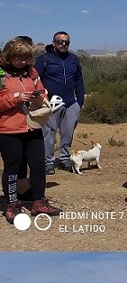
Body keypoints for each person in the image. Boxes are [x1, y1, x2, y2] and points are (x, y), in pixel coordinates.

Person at [0, 36, 62, 223]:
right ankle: (12, 205)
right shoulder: (1, 74)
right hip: (9, 129)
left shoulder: (31, 72)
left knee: (38, 164)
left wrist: (40, 96)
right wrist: (17, 99)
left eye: (26, 57)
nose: (23, 61)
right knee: (12, 167)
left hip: (33, 125)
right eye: (18, 57)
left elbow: (42, 90)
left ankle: (38, 201)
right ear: (9, 56)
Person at [35, 31, 85, 174]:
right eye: (60, 41)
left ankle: (64, 159)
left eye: (66, 42)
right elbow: (36, 80)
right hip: (50, 103)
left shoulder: (73, 59)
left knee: (67, 134)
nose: (63, 44)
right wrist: (42, 100)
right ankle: (48, 162)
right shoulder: (44, 59)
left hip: (70, 103)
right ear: (53, 42)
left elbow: (79, 80)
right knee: (48, 134)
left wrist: (79, 102)